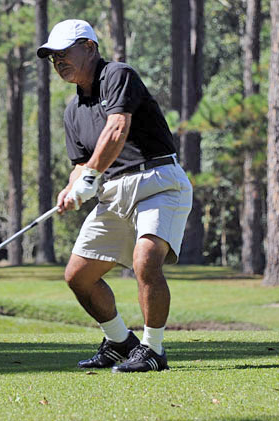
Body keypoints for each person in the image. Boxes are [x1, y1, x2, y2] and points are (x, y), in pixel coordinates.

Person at [37, 19, 192, 373]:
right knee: (79, 276)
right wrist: (71, 189)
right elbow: (80, 166)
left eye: (65, 53)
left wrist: (90, 175)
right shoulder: (73, 112)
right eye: (53, 57)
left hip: (157, 180)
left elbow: (117, 128)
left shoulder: (117, 75)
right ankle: (121, 342)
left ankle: (153, 350)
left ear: (90, 48)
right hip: (114, 193)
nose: (59, 61)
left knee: (146, 261)